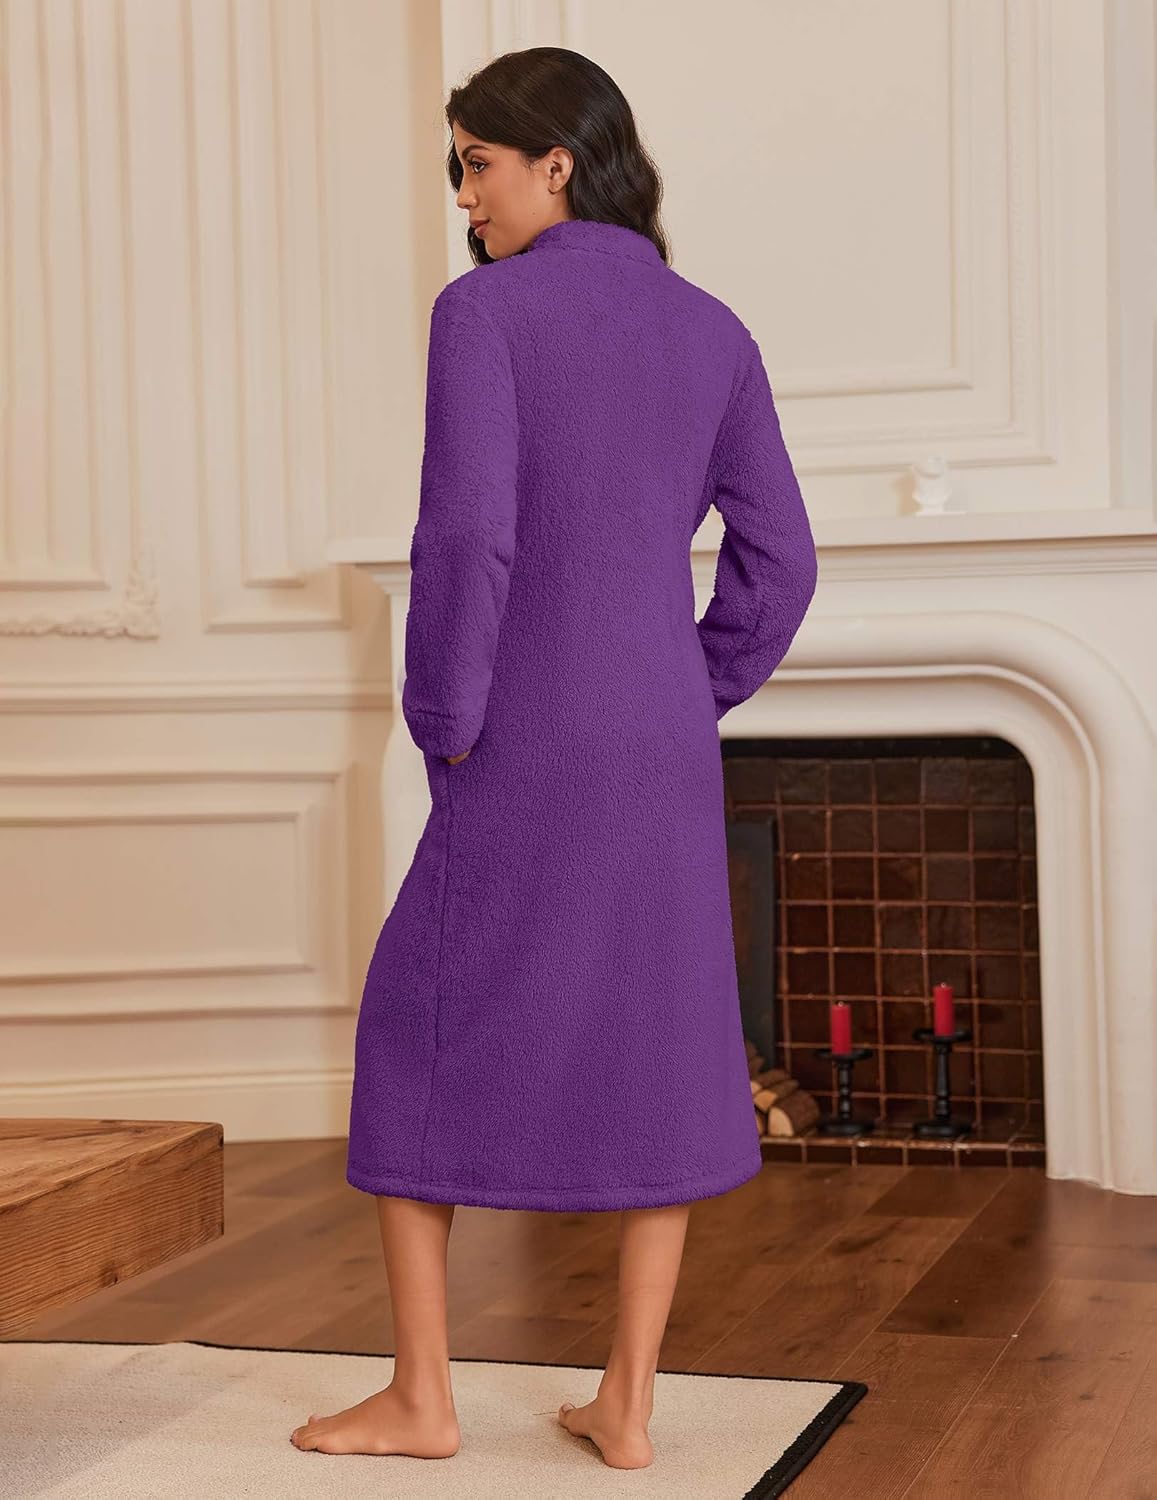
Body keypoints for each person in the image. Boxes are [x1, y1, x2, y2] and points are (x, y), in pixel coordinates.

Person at [291, 45, 817, 1472]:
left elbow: (467, 538)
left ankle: (421, 1397)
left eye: (475, 163)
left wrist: (442, 713)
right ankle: (626, 1402)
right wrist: (688, 686)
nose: (463, 197)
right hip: (656, 738)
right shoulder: (712, 330)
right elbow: (780, 562)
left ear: (555, 163)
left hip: (522, 726)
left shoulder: (484, 312)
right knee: (662, 1039)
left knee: (413, 1033)